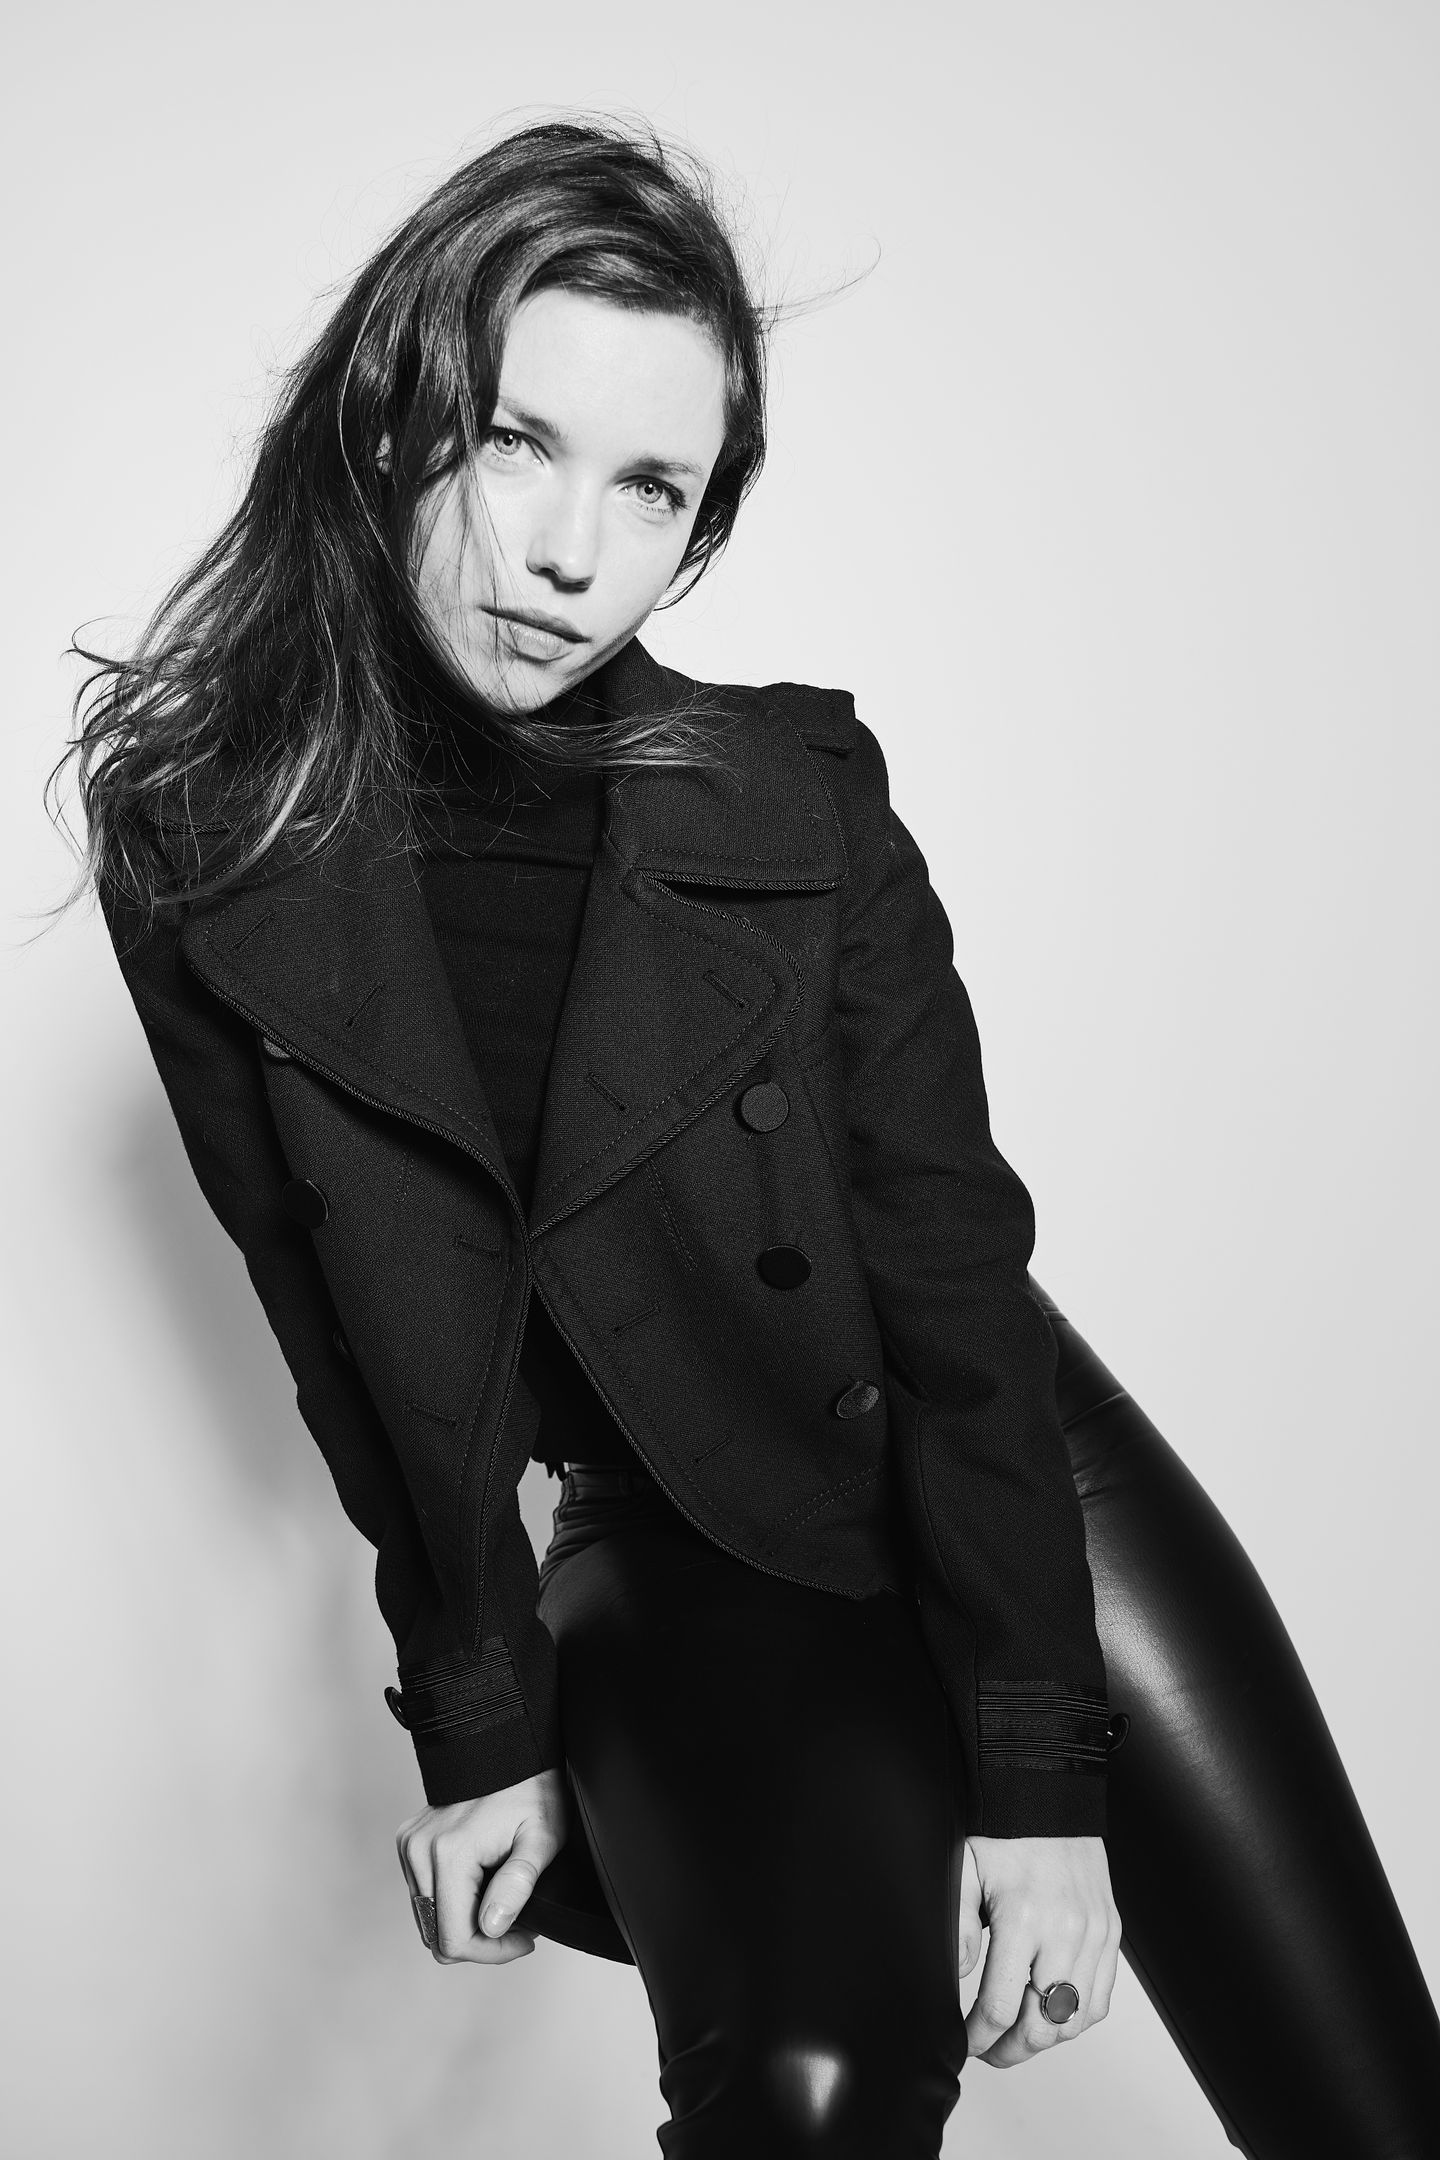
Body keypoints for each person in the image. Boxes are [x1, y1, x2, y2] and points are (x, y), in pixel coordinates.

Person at [55, 118, 1440, 2157]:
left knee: (1373, 2107)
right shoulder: (210, 841)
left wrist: (1040, 1777)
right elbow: (343, 1335)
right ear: (389, 420)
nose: (570, 551)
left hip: (1003, 1466)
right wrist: (481, 1717)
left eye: (653, 488)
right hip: (675, 1531)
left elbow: (954, 1280)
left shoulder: (794, 794)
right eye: (515, 443)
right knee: (810, 2091)